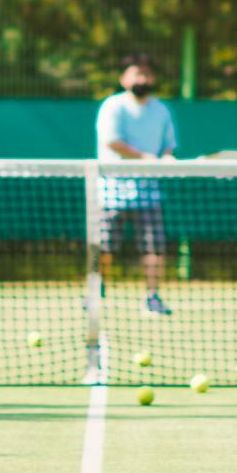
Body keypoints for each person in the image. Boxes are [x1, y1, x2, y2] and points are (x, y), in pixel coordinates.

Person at [96, 52, 178, 316]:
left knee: (154, 247)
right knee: (104, 247)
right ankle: (96, 292)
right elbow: (112, 141)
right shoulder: (112, 106)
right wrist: (145, 157)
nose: (143, 77)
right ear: (124, 78)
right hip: (112, 191)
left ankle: (152, 298)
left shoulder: (162, 110)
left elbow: (167, 147)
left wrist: (167, 159)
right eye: (137, 73)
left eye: (146, 73)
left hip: (148, 193)